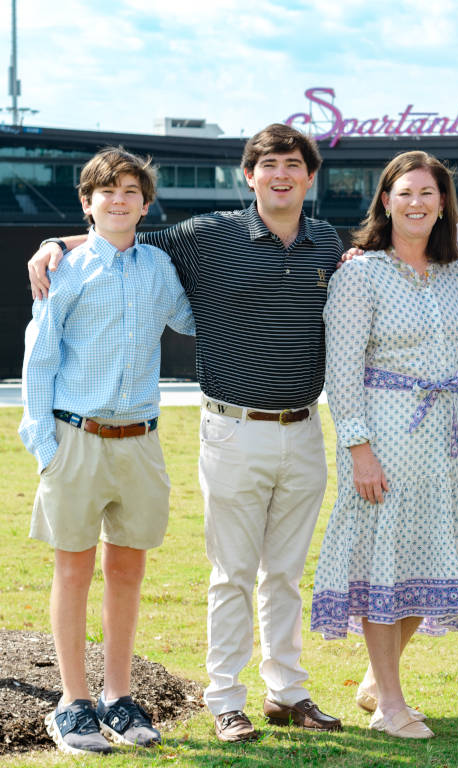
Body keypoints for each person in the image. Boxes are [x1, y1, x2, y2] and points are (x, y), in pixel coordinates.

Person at [26, 124, 343, 742]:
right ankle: (90, 700)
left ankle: (266, 692)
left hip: (252, 431)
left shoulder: (325, 242)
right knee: (187, 572)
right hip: (150, 433)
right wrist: (53, 242)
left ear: (310, 176)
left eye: (292, 164)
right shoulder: (198, 236)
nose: (280, 174)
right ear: (249, 175)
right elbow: (106, 249)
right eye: (268, 164)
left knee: (263, 572)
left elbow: (180, 304)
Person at [19, 146, 195, 755]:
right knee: (73, 570)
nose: (119, 200)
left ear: (145, 205)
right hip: (75, 438)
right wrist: (45, 445)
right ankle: (73, 702)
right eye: (107, 192)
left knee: (127, 571)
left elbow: (194, 319)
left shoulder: (159, 267)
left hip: (140, 441)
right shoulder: (65, 268)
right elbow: (40, 357)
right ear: (87, 203)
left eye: (130, 192)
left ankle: (117, 697)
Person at [310, 151, 458, 739]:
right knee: (383, 568)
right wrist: (359, 449)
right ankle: (390, 707)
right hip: (384, 439)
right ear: (385, 200)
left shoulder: (455, 272)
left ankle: (378, 682)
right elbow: (341, 372)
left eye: (428, 193)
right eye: (405, 193)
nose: (417, 203)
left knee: (425, 566)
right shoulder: (360, 274)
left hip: (442, 445)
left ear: (443, 203)